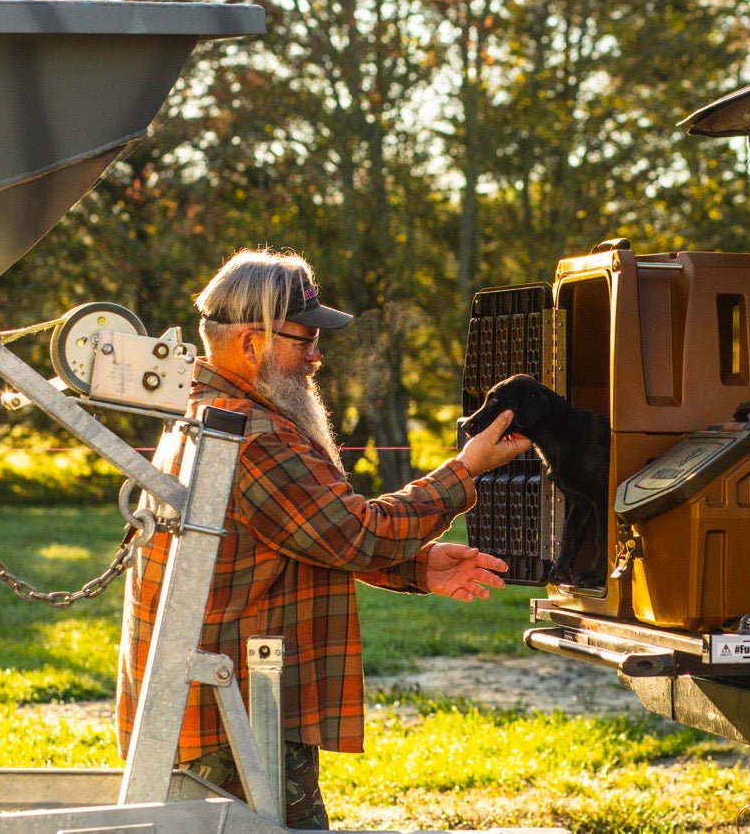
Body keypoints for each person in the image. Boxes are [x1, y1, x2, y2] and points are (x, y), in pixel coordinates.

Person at [116, 247, 531, 829]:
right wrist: (466, 472)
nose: (316, 355)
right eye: (303, 338)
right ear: (250, 342)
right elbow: (354, 534)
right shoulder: (253, 434)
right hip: (230, 720)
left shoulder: (210, 411)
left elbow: (303, 536)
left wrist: (418, 567)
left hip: (211, 710)